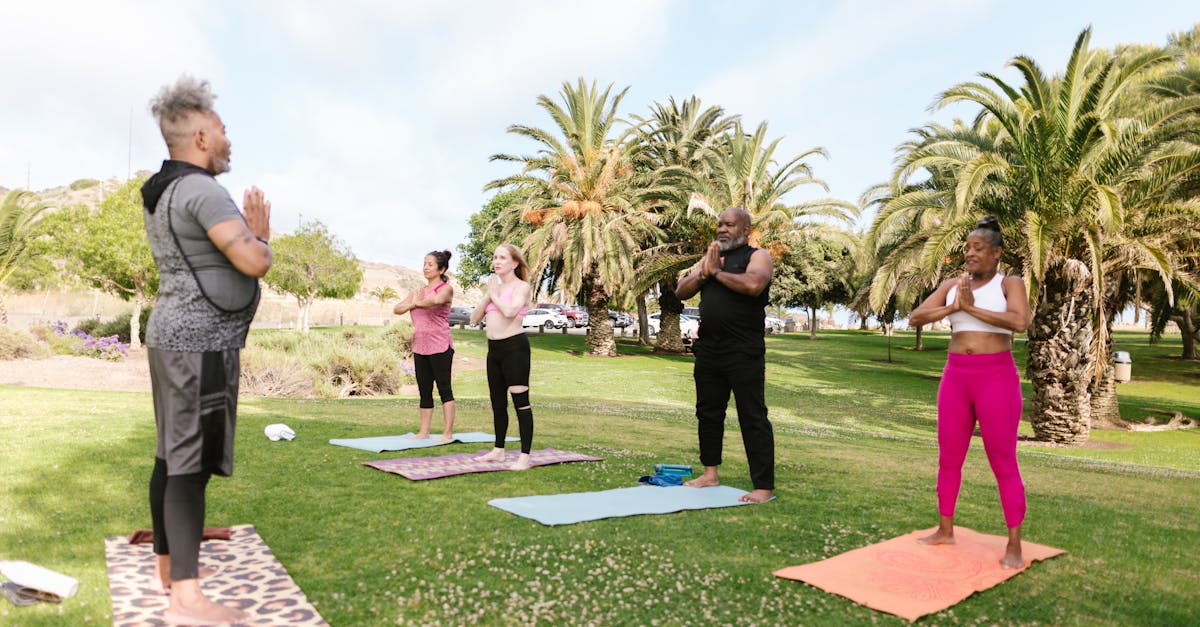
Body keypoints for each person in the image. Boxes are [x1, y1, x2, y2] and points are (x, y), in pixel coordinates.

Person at [140, 76, 272, 625]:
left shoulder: (165, 189)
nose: (228, 137)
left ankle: (171, 570)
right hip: (199, 344)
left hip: (173, 336)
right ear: (199, 137)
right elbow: (253, 261)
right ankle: (186, 601)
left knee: (172, 455)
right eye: (221, 128)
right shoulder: (201, 190)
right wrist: (261, 234)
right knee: (188, 466)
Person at [907, 215, 1031, 569]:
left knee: (1003, 461)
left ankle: (1014, 544)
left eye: (978, 248)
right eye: (967, 248)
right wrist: (953, 306)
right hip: (956, 378)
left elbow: (1020, 322)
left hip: (996, 377)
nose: (970, 254)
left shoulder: (1009, 283)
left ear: (996, 253)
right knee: (949, 456)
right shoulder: (953, 284)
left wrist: (972, 308)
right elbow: (916, 317)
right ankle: (945, 529)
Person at [675, 207, 775, 503]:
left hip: (743, 351)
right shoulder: (711, 257)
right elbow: (681, 290)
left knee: (752, 416)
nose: (721, 229)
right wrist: (704, 273)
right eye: (719, 224)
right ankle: (710, 474)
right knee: (708, 413)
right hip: (709, 349)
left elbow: (754, 284)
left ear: (745, 230)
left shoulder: (757, 256)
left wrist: (715, 272)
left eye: (729, 225)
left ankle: (763, 487)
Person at [469, 244, 535, 470]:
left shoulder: (522, 287)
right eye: (495, 257)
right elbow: (474, 319)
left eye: (503, 258)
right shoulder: (493, 291)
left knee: (520, 403)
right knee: (498, 403)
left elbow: (509, 312)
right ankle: (498, 450)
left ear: (515, 263)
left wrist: (494, 295)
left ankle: (524, 457)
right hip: (493, 350)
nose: (497, 261)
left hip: (514, 348)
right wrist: (488, 295)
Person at [393, 250, 456, 442]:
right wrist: (414, 302)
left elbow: (435, 301)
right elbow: (397, 309)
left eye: (430, 264)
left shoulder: (446, 288)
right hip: (420, 346)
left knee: (444, 388)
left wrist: (414, 303)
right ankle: (424, 432)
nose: (426, 267)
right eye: (424, 264)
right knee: (424, 389)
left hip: (440, 345)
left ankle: (447, 433)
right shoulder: (417, 292)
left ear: (441, 268)